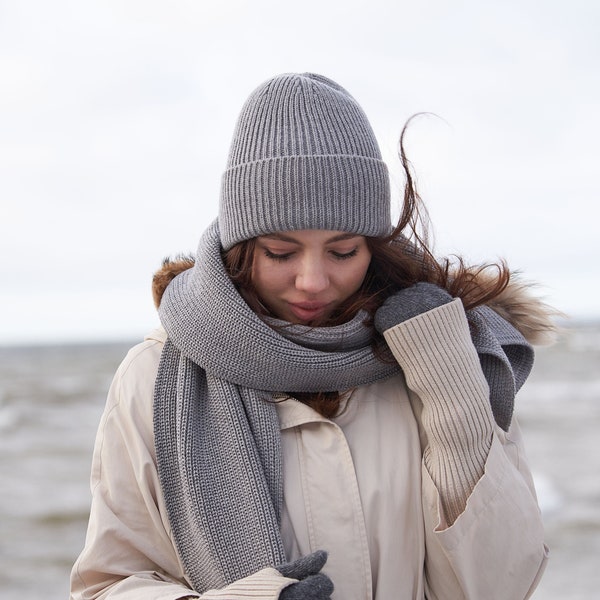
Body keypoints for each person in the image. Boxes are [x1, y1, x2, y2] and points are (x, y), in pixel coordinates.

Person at [70, 72, 554, 599]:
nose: (313, 280)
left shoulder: (439, 355)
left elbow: (504, 584)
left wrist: (451, 392)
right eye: (281, 252)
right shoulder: (154, 377)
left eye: (343, 251)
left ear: (373, 246)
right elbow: (110, 584)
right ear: (241, 246)